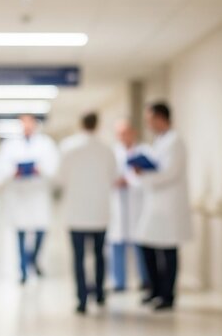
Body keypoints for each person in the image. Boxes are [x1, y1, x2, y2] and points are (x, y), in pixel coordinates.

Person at [133, 102, 192, 311]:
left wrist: (146, 174)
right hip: (155, 205)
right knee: (146, 245)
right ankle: (155, 290)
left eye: (150, 120)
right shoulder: (159, 141)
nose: (148, 124)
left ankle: (168, 295)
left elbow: (169, 173)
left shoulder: (175, 141)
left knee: (168, 251)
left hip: (170, 206)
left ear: (160, 118)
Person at [57, 112, 117, 314]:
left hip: (76, 212)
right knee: (100, 255)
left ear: (81, 124)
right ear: (97, 125)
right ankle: (99, 293)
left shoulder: (68, 147)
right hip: (100, 211)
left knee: (79, 257)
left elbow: (60, 177)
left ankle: (82, 299)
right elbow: (114, 176)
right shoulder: (107, 149)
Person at [0, 114, 58, 284]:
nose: (27, 127)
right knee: (20, 232)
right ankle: (22, 270)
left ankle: (33, 259)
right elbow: (1, 169)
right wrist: (13, 171)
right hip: (19, 194)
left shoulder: (46, 144)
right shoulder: (9, 145)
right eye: (24, 124)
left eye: (30, 124)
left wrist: (39, 169)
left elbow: (53, 168)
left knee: (41, 230)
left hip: (38, 193)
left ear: (35, 126)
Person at [108, 120, 150, 292]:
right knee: (117, 245)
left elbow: (149, 177)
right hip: (118, 202)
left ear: (133, 132)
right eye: (119, 134)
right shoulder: (113, 153)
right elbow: (107, 175)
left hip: (137, 202)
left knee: (140, 244)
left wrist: (130, 181)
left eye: (125, 132)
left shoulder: (144, 151)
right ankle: (119, 282)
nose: (123, 137)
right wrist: (116, 181)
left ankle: (145, 279)